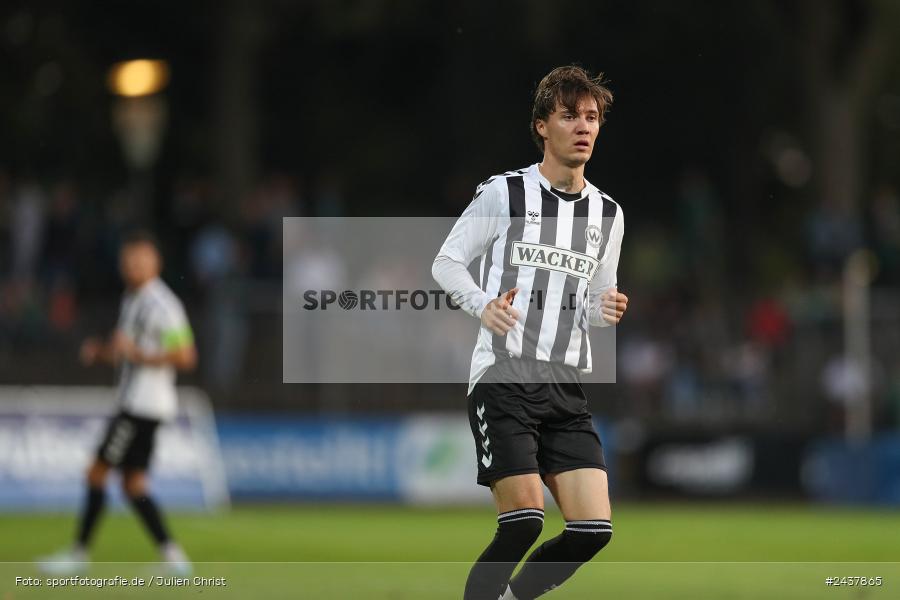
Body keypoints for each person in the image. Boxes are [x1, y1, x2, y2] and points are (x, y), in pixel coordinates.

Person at [432, 65, 628, 600]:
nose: (583, 127)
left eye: (592, 117)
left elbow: (593, 304)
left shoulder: (608, 214)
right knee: (523, 521)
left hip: (565, 384)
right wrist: (483, 306)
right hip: (503, 376)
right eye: (570, 116)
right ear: (542, 125)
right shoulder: (506, 193)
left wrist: (605, 309)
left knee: (592, 531)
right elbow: (447, 262)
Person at [37, 230, 197, 575]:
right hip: (137, 404)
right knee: (133, 484)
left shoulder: (163, 306)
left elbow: (185, 356)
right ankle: (173, 557)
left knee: (96, 473)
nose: (132, 267)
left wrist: (136, 354)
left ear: (156, 263)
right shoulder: (132, 300)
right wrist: (102, 352)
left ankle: (78, 554)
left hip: (143, 406)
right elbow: (126, 352)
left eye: (140, 261)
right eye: (128, 261)